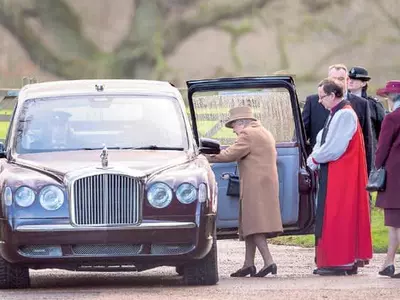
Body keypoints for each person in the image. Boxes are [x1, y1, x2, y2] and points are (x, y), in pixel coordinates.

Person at [207, 106, 283, 277]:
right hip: (264, 185)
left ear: (241, 123)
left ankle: (269, 262)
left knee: (255, 225)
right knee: (250, 224)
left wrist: (206, 157)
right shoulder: (264, 132)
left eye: (233, 126)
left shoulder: (247, 134)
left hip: (255, 186)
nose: (234, 131)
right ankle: (248, 264)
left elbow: (230, 154)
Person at [307, 78, 372, 276]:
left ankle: (340, 260)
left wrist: (314, 160)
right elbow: (322, 140)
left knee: (338, 214)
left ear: (333, 95)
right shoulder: (335, 114)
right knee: (331, 215)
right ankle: (333, 259)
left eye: (322, 97)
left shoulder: (345, 115)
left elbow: (335, 147)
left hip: (342, 174)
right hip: (334, 172)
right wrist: (314, 157)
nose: (320, 101)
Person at [302, 64, 373, 175]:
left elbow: (367, 139)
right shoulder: (312, 101)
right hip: (317, 167)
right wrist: (305, 162)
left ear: (347, 80)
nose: (336, 82)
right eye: (333, 79)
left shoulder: (360, 104)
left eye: (340, 79)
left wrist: (368, 171)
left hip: (347, 167)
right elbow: (301, 135)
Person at [374, 80, 400, 279]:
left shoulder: (392, 118)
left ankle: (389, 262)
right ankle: (388, 262)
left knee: (394, 222)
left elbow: (382, 148)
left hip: (395, 173)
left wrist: (376, 167)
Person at [348, 66, 386, 143]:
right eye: (349, 79)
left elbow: (382, 129)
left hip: (368, 146)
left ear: (364, 83)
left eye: (355, 79)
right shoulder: (342, 101)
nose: (350, 81)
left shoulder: (373, 104)